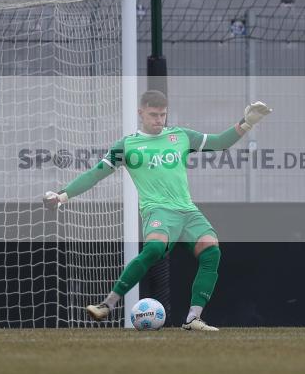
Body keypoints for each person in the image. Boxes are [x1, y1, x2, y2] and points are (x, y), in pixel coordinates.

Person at [43, 90, 272, 331]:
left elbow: (220, 143)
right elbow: (95, 173)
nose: (159, 120)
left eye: (163, 115)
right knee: (153, 248)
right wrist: (62, 195)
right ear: (140, 113)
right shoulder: (128, 144)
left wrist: (247, 123)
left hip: (187, 210)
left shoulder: (180, 136)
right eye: (153, 115)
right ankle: (106, 305)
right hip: (158, 211)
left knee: (211, 251)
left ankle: (193, 318)